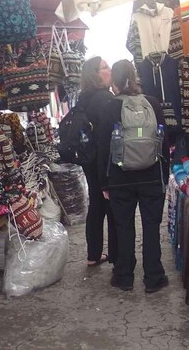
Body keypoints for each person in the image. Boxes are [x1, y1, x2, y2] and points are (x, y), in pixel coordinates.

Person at [95, 60, 170, 293]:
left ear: (115, 81)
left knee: (123, 227)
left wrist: (103, 182)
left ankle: (124, 276)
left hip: (120, 178)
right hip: (151, 176)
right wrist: (163, 176)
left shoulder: (109, 107)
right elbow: (164, 142)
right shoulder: (153, 104)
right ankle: (154, 277)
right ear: (135, 77)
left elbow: (103, 148)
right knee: (151, 226)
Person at [75, 56, 117, 267]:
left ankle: (93, 254)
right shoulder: (103, 98)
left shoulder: (84, 97)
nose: (109, 70)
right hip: (102, 157)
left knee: (96, 203)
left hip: (88, 157)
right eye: (104, 67)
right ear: (95, 74)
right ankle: (116, 256)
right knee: (110, 203)